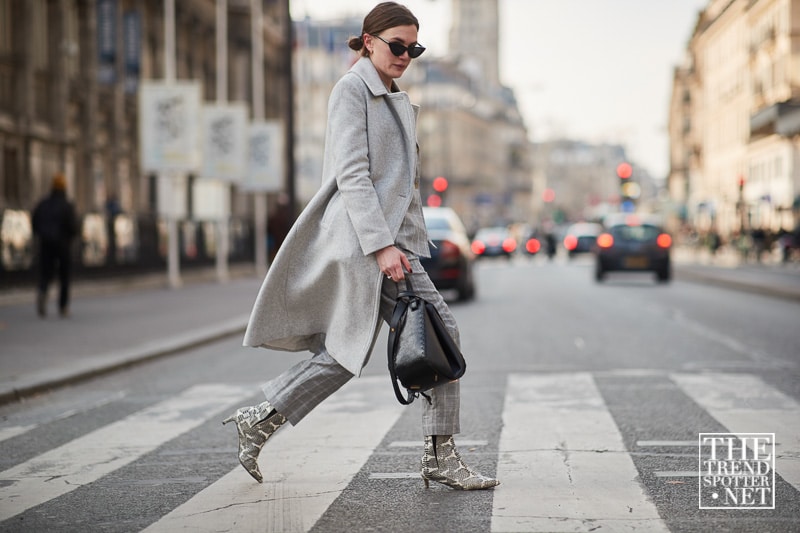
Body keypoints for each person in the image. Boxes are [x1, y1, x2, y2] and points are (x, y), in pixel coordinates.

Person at [224, 2, 499, 491]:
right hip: (371, 245)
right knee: (440, 332)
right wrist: (382, 247)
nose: (405, 55)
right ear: (368, 40)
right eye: (397, 45)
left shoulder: (389, 92)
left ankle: (260, 417)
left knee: (345, 354)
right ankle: (441, 455)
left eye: (413, 48)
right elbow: (352, 174)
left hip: (390, 242)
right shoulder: (352, 90)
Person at [32, 172, 79, 318]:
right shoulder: (67, 205)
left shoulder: (43, 204)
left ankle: (42, 292)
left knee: (46, 273)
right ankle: (63, 306)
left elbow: (35, 221)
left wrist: (40, 234)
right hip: (63, 245)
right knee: (64, 276)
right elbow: (73, 226)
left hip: (46, 243)